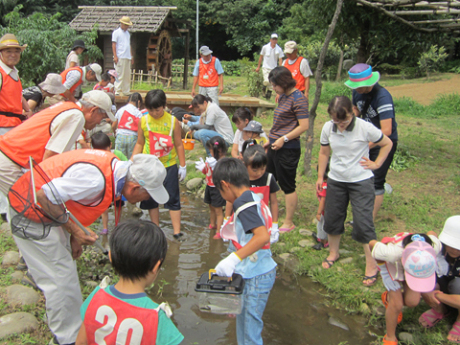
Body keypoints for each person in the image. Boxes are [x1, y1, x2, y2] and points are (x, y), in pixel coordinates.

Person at [7, 149, 168, 345]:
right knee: (61, 279)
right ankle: (67, 339)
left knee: (64, 272)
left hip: (48, 211)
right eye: (147, 195)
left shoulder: (115, 169)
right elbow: (44, 195)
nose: (145, 200)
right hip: (30, 210)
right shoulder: (96, 180)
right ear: (134, 188)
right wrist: (74, 231)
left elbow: (69, 198)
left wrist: (73, 237)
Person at [317, 96, 393, 287]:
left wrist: (376, 164)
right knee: (333, 217)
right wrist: (320, 177)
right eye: (337, 121)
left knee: (363, 222)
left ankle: (371, 265)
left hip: (361, 181)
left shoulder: (364, 127)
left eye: (344, 121)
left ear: (352, 112)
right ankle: (333, 253)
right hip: (336, 179)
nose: (340, 125)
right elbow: (324, 152)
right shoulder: (328, 127)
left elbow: (387, 143)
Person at [76, 220, 183, 345]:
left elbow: (80, 341)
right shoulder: (156, 317)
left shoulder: (95, 296)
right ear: (156, 266)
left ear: (110, 257)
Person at [0, 90, 116, 198]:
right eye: (102, 117)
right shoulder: (76, 117)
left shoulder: (68, 107)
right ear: (93, 110)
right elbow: (51, 155)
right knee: (32, 209)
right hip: (11, 162)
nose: (99, 122)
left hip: (9, 155)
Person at [212, 158, 276, 345]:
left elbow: (262, 236)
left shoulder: (243, 204)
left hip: (256, 276)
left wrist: (233, 259)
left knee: (250, 332)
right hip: (255, 271)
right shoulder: (254, 197)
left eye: (220, 190)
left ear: (225, 185)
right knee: (245, 326)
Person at [345, 63, 398, 221]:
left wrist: (367, 145)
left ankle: (368, 221)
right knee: (362, 178)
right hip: (367, 139)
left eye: (359, 86)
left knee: (376, 181)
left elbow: (387, 130)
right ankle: (360, 216)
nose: (357, 90)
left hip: (383, 143)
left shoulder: (383, 97)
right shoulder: (357, 92)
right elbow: (357, 108)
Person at [132, 89, 186, 239]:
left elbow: (179, 144)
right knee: (150, 199)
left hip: (168, 164)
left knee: (173, 198)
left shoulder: (173, 121)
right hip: (149, 167)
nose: (155, 113)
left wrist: (182, 165)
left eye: (157, 109)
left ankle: (177, 232)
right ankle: (156, 229)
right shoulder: (143, 120)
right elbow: (139, 143)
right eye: (151, 110)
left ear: (164, 105)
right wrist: (131, 162)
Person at [369, 234, 441, 345]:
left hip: (415, 268)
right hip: (391, 266)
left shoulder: (434, 247)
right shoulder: (391, 253)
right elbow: (372, 243)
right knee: (396, 304)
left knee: (412, 301)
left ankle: (387, 298)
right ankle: (390, 337)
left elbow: (432, 233)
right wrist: (382, 267)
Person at [266, 66, 309, 233]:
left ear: (283, 83)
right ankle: (268, 214)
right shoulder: (283, 96)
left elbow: (304, 126)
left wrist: (283, 139)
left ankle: (289, 221)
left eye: (275, 85)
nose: (274, 88)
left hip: (288, 147)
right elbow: (280, 123)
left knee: (287, 184)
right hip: (274, 144)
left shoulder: (299, 99)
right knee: (269, 181)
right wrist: (270, 141)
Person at [420, 216, 460, 343]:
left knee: (457, 285)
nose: (454, 249)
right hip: (444, 284)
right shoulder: (439, 246)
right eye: (451, 244)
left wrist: (437, 295)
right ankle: (440, 310)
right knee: (422, 276)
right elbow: (430, 234)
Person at [91, 131, 127, 249]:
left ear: (110, 146)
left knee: (118, 205)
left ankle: (117, 224)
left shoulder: (117, 154)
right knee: (104, 207)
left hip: (116, 186)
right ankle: (105, 227)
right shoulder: (94, 156)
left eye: (105, 150)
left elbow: (126, 165)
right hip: (104, 186)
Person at [242, 142, 280, 243]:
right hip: (243, 219)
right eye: (255, 170)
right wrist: (227, 219)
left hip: (262, 220)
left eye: (262, 169)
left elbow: (274, 202)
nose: (259, 173)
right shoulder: (241, 180)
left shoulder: (268, 178)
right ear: (245, 165)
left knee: (261, 245)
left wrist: (274, 224)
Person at [195, 136, 227, 239]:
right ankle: (212, 224)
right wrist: (203, 168)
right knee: (211, 207)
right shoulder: (211, 160)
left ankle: (219, 231)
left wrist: (217, 167)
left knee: (218, 210)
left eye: (211, 151)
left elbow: (224, 176)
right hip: (209, 186)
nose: (210, 153)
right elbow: (207, 172)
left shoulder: (223, 162)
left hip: (217, 188)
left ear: (220, 151)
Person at [0, 33, 31, 134]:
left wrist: (28, 110)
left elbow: (17, 94)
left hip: (14, 125)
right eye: (8, 51)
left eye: (16, 51)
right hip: (3, 126)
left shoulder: (12, 72)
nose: (13, 55)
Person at [113, 92, 144, 159]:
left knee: (118, 158)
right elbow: (140, 128)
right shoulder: (138, 113)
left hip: (120, 136)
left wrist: (115, 133)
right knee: (132, 158)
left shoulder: (120, 109)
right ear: (138, 102)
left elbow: (113, 125)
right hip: (133, 137)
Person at [255, 33, 284, 99]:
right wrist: (258, 67)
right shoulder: (265, 47)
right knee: (266, 81)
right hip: (265, 67)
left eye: (275, 39)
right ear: (270, 40)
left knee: (272, 84)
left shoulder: (279, 49)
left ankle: (268, 97)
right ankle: (263, 88)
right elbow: (261, 57)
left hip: (274, 68)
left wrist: (280, 69)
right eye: (273, 39)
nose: (274, 41)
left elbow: (280, 59)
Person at [112, 16, 134, 96]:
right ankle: (117, 90)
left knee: (127, 75)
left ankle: (126, 90)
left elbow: (129, 45)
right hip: (120, 56)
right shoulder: (116, 32)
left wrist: (131, 56)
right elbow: (114, 44)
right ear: (122, 24)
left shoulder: (128, 34)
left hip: (127, 56)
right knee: (119, 74)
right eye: (126, 25)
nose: (127, 27)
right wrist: (115, 56)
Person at [313, 161, 329, 250]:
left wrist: (319, 213)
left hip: (325, 211)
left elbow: (323, 200)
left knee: (322, 225)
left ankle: (323, 242)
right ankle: (321, 238)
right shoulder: (331, 184)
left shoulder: (325, 186)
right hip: (331, 210)